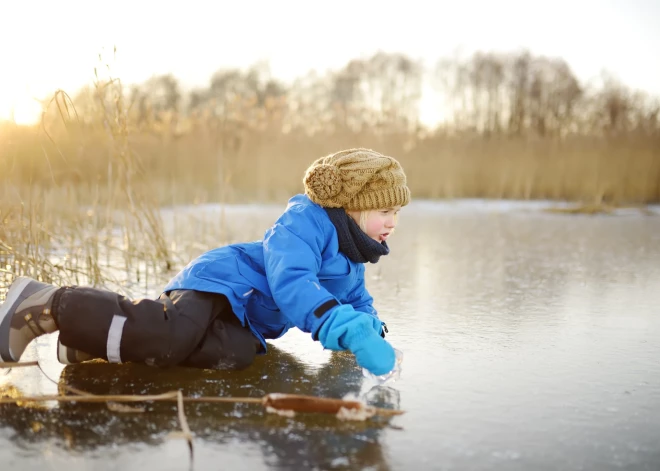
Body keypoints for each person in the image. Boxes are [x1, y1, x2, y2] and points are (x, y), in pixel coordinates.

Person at [0, 148, 410, 376]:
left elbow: (358, 302)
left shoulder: (351, 264)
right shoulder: (304, 223)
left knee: (236, 354)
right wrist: (339, 325)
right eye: (384, 211)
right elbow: (293, 283)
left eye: (396, 214)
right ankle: (47, 302)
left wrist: (371, 330)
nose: (392, 223)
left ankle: (86, 337)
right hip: (221, 283)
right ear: (354, 208)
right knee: (175, 335)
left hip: (244, 320)